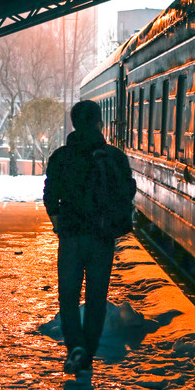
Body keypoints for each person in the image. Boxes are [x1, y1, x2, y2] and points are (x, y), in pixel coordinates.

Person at [43, 99, 136, 375]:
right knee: (97, 297)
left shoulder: (61, 157)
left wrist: (58, 219)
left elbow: (50, 194)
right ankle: (89, 351)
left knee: (68, 296)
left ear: (73, 123)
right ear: (99, 123)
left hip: (71, 238)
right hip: (102, 237)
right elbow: (128, 190)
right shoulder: (114, 157)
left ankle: (76, 348)